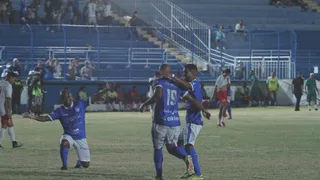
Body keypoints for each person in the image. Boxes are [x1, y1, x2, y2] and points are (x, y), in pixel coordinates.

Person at [139, 64, 210, 180]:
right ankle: (187, 159)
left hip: (161, 120)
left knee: (158, 148)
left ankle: (159, 176)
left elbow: (157, 96)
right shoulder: (177, 85)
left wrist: (144, 104)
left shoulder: (158, 82)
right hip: (174, 122)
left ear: (161, 71)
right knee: (172, 147)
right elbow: (192, 99)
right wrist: (204, 110)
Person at [25, 90, 91, 170]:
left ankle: (80, 161)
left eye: (69, 96)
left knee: (86, 165)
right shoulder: (60, 111)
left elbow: (95, 98)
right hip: (69, 135)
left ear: (72, 97)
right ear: (62, 99)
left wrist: (105, 90)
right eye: (65, 97)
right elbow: (46, 118)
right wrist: (34, 117)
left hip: (81, 137)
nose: (68, 98)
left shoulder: (80, 104)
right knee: (64, 142)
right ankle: (64, 165)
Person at [172, 64, 207, 179]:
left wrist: (172, 76)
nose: (184, 74)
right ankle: (190, 169)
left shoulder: (195, 84)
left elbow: (186, 85)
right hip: (190, 120)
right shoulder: (190, 85)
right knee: (177, 143)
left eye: (186, 72)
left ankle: (198, 174)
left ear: (193, 73)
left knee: (189, 146)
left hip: (194, 120)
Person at [0, 71, 23, 149]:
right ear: (10, 77)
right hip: (3, 107)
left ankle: (14, 142)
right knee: (4, 124)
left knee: (9, 124)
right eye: (14, 79)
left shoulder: (1, 82)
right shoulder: (8, 85)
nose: (14, 81)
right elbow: (8, 99)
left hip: (1, 106)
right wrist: (9, 111)